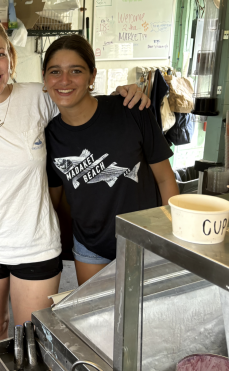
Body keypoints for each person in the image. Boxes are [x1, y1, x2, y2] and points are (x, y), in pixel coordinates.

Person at [0, 17, 151, 370]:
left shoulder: (38, 97)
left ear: (11, 56)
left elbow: (82, 100)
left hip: (36, 244)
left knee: (33, 337)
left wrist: (126, 92)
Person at [43, 35, 179, 286]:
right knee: (96, 318)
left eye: (76, 70)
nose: (64, 80)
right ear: (44, 79)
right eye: (55, 71)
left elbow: (164, 177)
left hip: (146, 240)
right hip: (91, 247)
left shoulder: (131, 109)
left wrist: (171, 234)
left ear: (92, 76)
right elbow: (56, 200)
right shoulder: (49, 136)